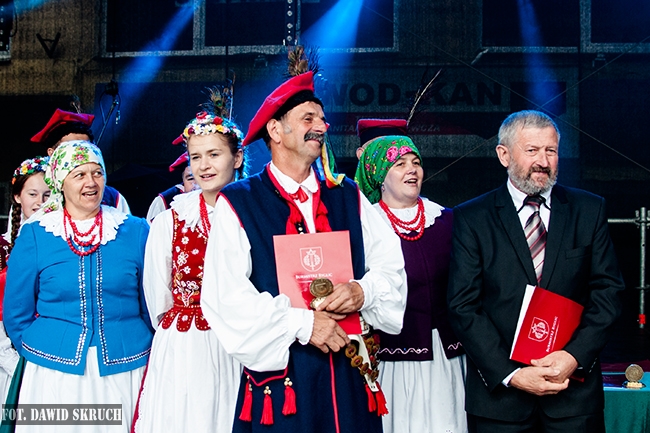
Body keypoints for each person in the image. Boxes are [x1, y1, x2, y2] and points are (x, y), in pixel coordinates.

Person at [200, 64, 407, 432]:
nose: (321, 127)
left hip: (349, 372)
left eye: (322, 119)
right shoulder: (239, 202)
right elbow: (224, 296)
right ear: (275, 130)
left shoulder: (347, 194)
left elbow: (391, 269)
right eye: (308, 118)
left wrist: (362, 291)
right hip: (285, 383)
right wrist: (303, 324)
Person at [447, 110, 624, 433]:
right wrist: (512, 374)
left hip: (573, 399)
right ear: (504, 155)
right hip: (500, 404)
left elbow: (608, 294)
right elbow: (463, 306)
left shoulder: (589, 210)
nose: (543, 161)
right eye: (532, 150)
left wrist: (573, 357)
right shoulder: (471, 218)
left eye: (551, 151)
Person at [3, 140, 153, 432]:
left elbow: (150, 303)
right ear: (61, 182)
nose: (91, 182)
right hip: (54, 375)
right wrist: (43, 349)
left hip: (125, 368)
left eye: (97, 172)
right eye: (79, 174)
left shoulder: (135, 230)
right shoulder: (36, 233)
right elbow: (16, 313)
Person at [132, 99, 244, 432]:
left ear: (237, 158)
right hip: (187, 345)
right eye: (196, 157)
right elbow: (158, 298)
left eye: (214, 154)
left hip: (241, 340)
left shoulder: (253, 214)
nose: (204, 166)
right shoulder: (171, 221)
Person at [355, 133, 467, 433]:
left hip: (447, 358)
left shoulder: (446, 220)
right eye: (400, 163)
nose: (412, 169)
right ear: (379, 175)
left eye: (416, 162)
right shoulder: (365, 226)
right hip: (393, 358)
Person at [0, 157, 50, 402]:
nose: (40, 202)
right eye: (33, 194)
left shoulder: (63, 245)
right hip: (9, 358)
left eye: (47, 195)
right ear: (18, 196)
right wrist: (14, 362)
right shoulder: (2, 248)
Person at [31, 108, 131, 214]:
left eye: (86, 147)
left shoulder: (111, 198)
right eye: (71, 147)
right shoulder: (38, 193)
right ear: (52, 153)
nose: (81, 152)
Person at [145, 152, 198, 223]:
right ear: (183, 180)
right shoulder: (164, 201)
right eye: (191, 179)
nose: (198, 184)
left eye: (203, 177)